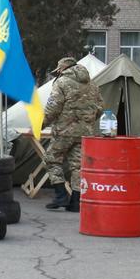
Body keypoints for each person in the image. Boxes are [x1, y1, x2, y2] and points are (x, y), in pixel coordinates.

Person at [43, 56, 104, 211]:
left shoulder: (61, 82)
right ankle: (76, 202)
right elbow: (100, 107)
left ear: (63, 68)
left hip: (64, 131)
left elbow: (53, 107)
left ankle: (60, 195)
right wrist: (87, 121)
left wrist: (41, 124)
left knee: (52, 159)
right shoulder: (92, 85)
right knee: (78, 165)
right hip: (86, 132)